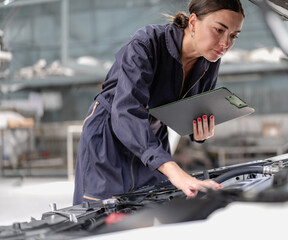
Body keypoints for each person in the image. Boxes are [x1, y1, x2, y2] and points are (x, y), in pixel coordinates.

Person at [73, 0, 245, 205]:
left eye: (233, 36)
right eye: (219, 30)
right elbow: (126, 111)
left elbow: (190, 110)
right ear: (193, 23)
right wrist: (173, 170)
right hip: (110, 135)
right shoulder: (145, 44)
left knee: (148, 206)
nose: (225, 44)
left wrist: (199, 131)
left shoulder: (210, 60)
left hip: (152, 135)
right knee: (102, 215)